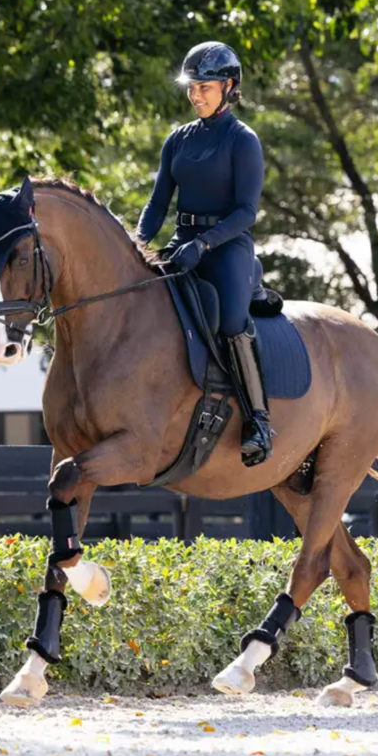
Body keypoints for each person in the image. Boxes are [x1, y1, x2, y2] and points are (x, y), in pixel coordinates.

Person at [136, 41, 274, 467]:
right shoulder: (177, 140)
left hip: (226, 246)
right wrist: (137, 242)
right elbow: (158, 203)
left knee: (231, 322)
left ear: (229, 87)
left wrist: (204, 244)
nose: (195, 95)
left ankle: (258, 420)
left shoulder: (242, 140)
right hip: (182, 243)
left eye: (205, 88)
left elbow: (246, 212)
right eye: (191, 88)